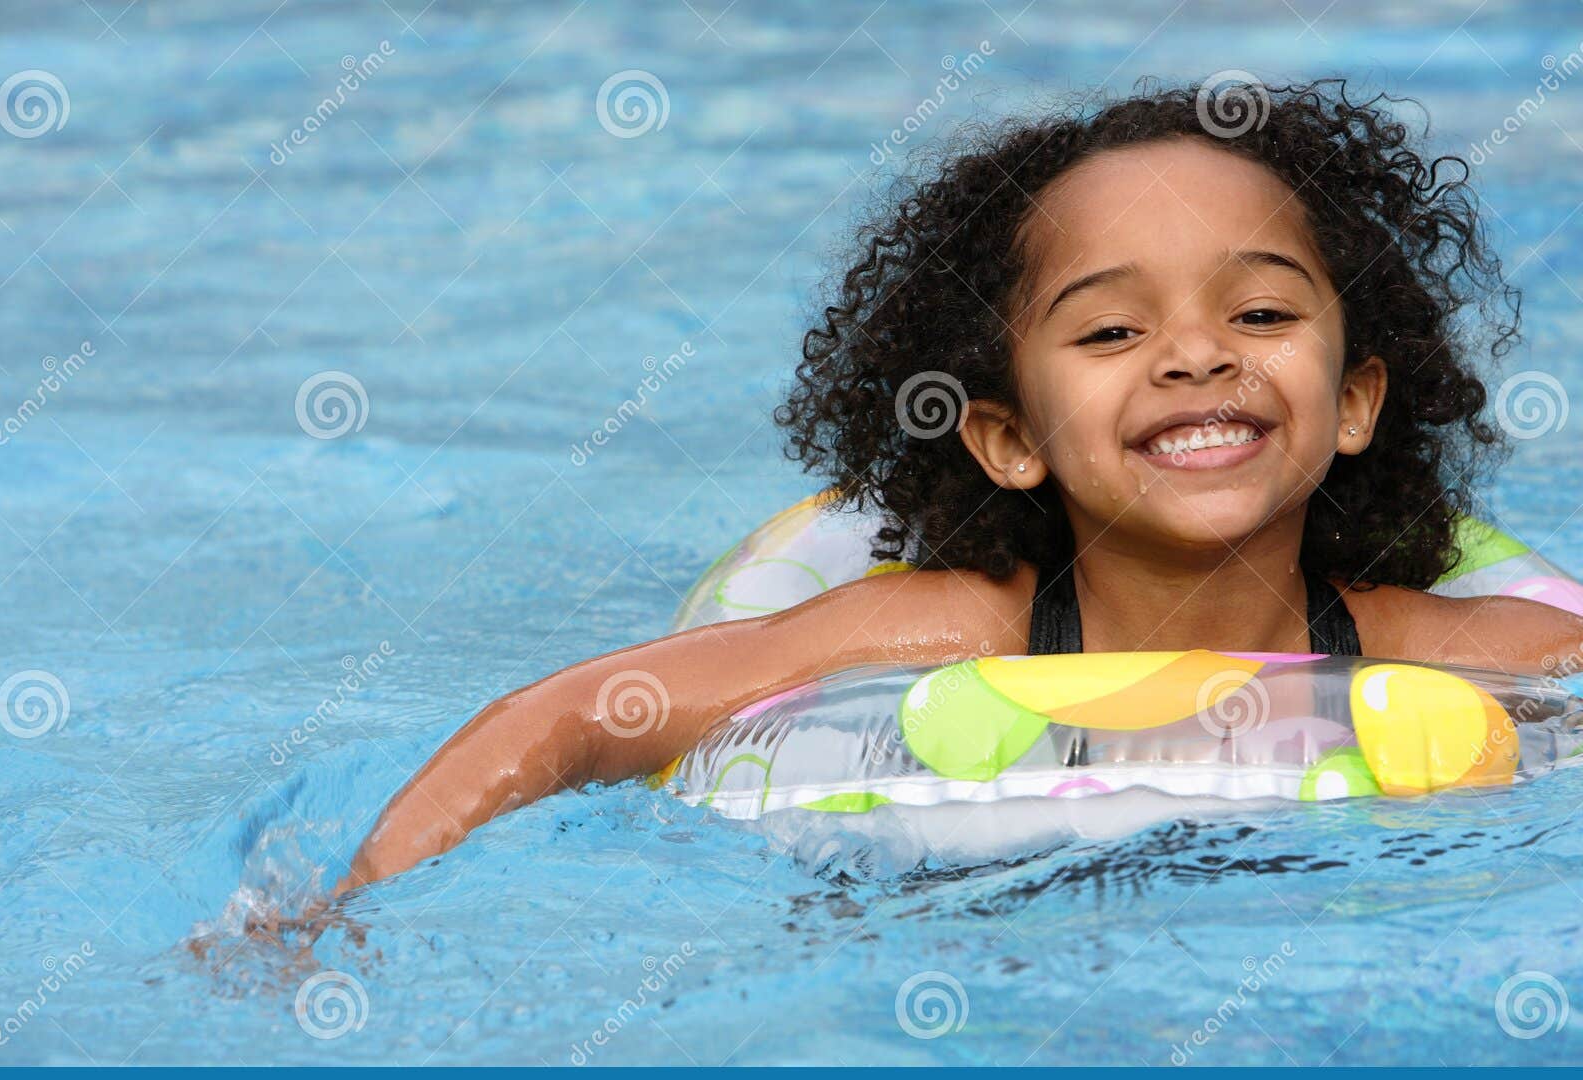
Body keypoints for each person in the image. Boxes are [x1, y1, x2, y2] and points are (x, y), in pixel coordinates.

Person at [341, 78, 1583, 890]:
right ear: (1006, 437)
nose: (1195, 354)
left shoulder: (1447, 645)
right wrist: (340, 907)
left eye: (1257, 311)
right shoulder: (939, 626)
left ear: (1356, 399)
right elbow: (577, 713)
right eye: (1107, 334)